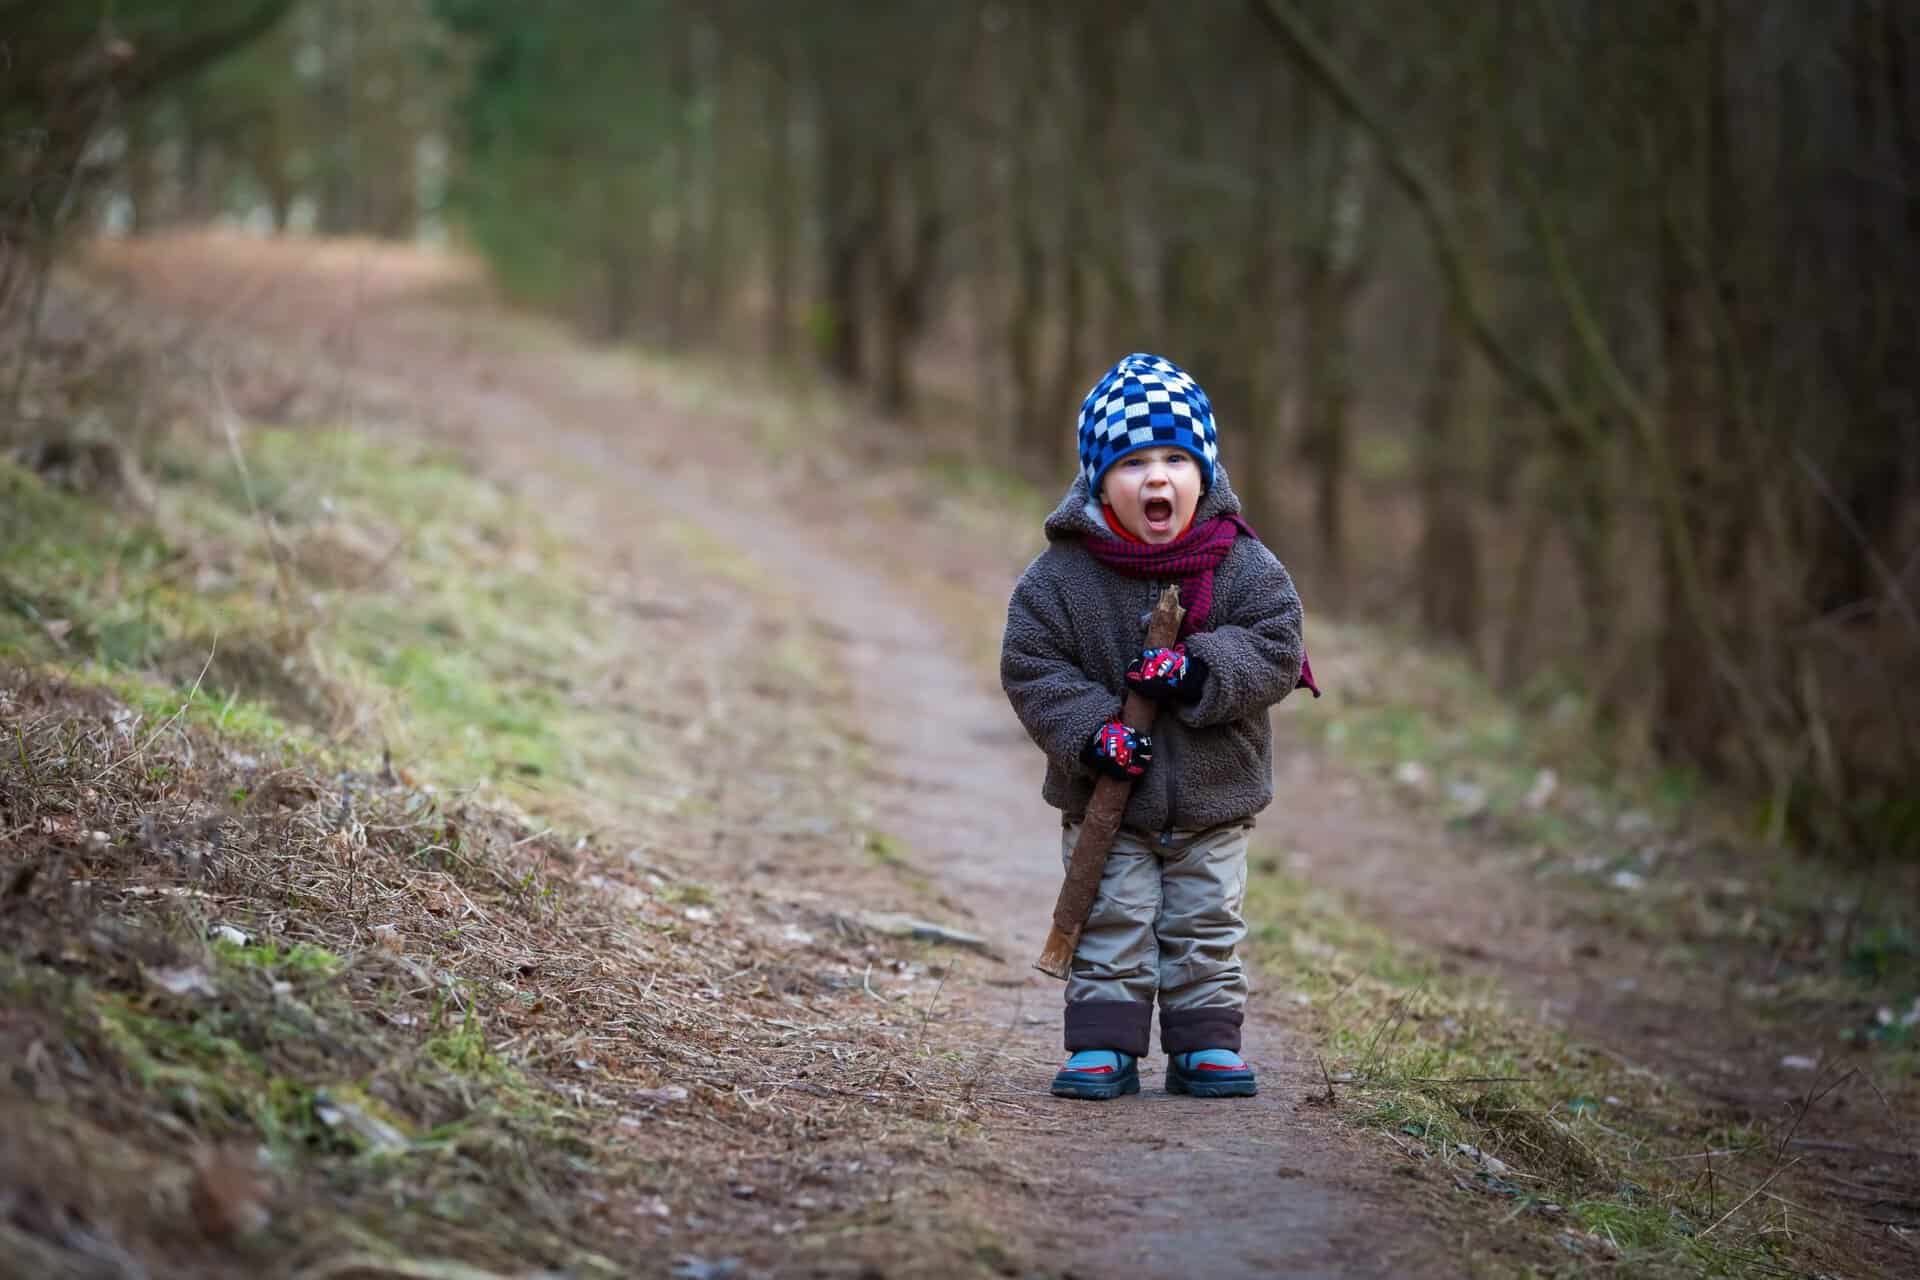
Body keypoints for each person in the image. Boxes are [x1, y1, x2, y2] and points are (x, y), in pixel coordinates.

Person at [1000, 352, 1316, 1101]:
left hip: (1214, 799)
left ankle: (1204, 1046)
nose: (1157, 477)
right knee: (1115, 922)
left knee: (1206, 926)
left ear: (1204, 473)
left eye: (1177, 458)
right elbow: (1032, 667)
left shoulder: (1242, 564)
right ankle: (1104, 1046)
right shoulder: (1061, 579)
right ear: (1098, 479)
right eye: (1134, 461)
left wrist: (1199, 668)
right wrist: (1092, 731)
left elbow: (1277, 645)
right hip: (1111, 799)